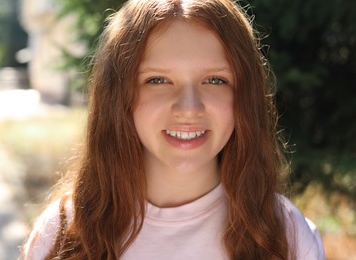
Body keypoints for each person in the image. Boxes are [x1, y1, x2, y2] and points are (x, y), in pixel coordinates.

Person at [22, 0, 325, 259]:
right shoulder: (63, 235)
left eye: (215, 80)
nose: (189, 108)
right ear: (118, 97)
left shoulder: (287, 236)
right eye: (158, 80)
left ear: (243, 96)